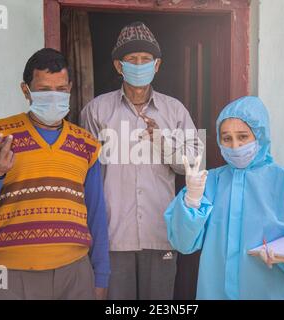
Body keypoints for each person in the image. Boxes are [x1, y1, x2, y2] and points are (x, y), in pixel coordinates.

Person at [0, 48, 110, 300]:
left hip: (74, 272)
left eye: (61, 89)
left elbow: (96, 213)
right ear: (25, 90)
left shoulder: (87, 143)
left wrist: (102, 275)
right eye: (43, 90)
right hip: (11, 275)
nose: (53, 97)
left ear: (70, 88)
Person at [164, 96, 284, 299]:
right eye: (227, 138)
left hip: (273, 291)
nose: (235, 145)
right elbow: (183, 244)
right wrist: (192, 201)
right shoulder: (208, 182)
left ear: (260, 136)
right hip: (216, 292)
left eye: (243, 136)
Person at [80, 21, 202, 300]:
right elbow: (82, 171)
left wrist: (162, 141)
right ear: (118, 66)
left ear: (157, 65)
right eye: (132, 59)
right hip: (112, 235)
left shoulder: (174, 111)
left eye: (146, 59)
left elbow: (195, 164)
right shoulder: (96, 111)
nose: (139, 65)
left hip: (160, 234)